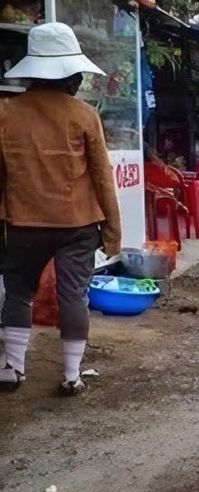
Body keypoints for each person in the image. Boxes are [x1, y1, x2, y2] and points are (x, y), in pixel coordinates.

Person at [0, 22, 120, 395]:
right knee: (73, 296)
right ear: (71, 74)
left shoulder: (5, 113)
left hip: (20, 222)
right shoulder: (84, 115)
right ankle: (71, 375)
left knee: (18, 291)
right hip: (78, 224)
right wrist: (113, 232)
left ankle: (11, 367)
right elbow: (103, 178)